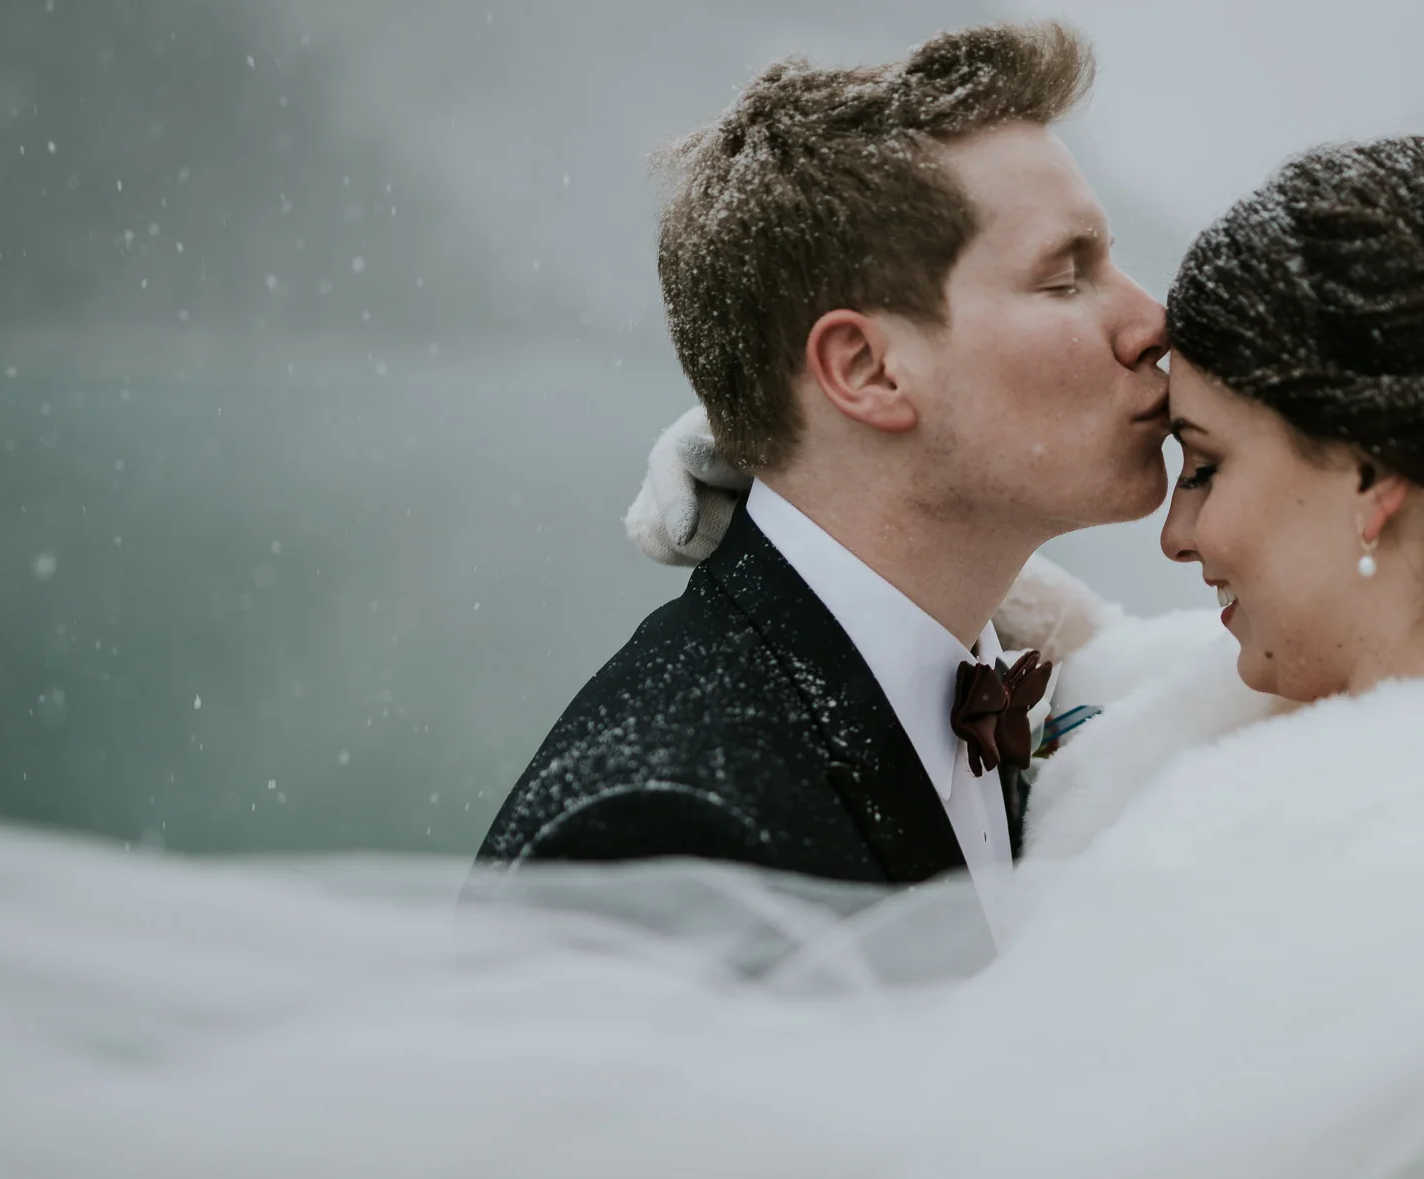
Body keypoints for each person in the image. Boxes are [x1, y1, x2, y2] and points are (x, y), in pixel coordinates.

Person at [0, 137, 1424, 1179]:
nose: (1170, 534)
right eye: (1065, 277)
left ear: (1378, 489)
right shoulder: (1376, 727)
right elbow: (1124, 680)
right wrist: (811, 496)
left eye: (1207, 468)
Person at [475, 22, 1170, 889]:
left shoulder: (1025, 667)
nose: (1153, 322)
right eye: (1066, 277)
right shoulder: (667, 833)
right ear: (867, 370)